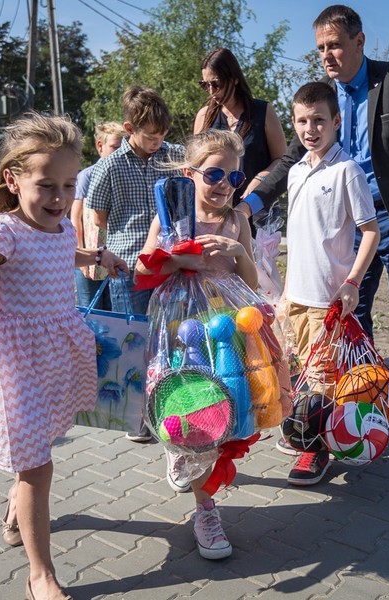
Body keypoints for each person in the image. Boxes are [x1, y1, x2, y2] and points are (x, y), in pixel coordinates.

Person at [245, 5, 389, 466]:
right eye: (320, 48)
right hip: (347, 229)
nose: (327, 55)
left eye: (335, 45)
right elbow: (290, 161)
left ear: (359, 42)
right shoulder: (322, 100)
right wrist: (251, 203)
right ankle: (352, 417)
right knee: (347, 324)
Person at [0, 113, 128, 600]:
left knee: (38, 449)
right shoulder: (1, 234)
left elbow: (64, 251)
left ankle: (16, 508)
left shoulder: (61, 228)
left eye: (68, 185)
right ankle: (40, 575)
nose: (59, 198)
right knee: (38, 467)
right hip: (15, 365)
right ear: (13, 180)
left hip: (57, 356)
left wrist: (97, 256)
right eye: (46, 185)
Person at [134, 129, 257, 559]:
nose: (224, 184)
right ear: (189, 174)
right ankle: (205, 511)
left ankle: (198, 482)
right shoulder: (169, 217)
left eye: (234, 176)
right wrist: (182, 259)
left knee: (222, 419)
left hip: (224, 329)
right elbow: (142, 271)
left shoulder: (237, 220)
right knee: (193, 413)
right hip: (180, 329)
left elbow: (250, 283)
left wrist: (238, 250)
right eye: (214, 174)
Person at [281, 82, 380, 485]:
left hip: (327, 300)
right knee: (300, 375)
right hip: (295, 297)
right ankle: (307, 430)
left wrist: (353, 281)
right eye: (303, 121)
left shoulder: (347, 171)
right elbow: (299, 236)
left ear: (337, 121)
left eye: (319, 120)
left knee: (323, 379)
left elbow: (370, 232)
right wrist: (285, 292)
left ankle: (316, 451)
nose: (311, 129)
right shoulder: (295, 172)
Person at [86, 86, 184, 443]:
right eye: (151, 135)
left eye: (162, 134)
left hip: (170, 264)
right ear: (129, 128)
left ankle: (169, 407)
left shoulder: (174, 156)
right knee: (135, 341)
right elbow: (98, 217)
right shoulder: (109, 166)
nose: (158, 141)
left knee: (170, 337)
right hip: (128, 268)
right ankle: (136, 416)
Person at [193, 48, 287, 205]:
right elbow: (195, 164)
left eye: (216, 84)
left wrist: (260, 179)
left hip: (255, 207)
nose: (211, 91)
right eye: (205, 85)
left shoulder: (263, 111)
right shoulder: (204, 116)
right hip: (215, 210)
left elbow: (282, 160)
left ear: (235, 79)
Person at [70, 121, 126, 308]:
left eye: (123, 148)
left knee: (113, 307)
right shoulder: (87, 176)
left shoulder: (124, 174)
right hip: (90, 253)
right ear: (100, 146)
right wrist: (82, 254)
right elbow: (76, 218)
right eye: (115, 147)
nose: (119, 152)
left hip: (114, 253)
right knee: (91, 308)